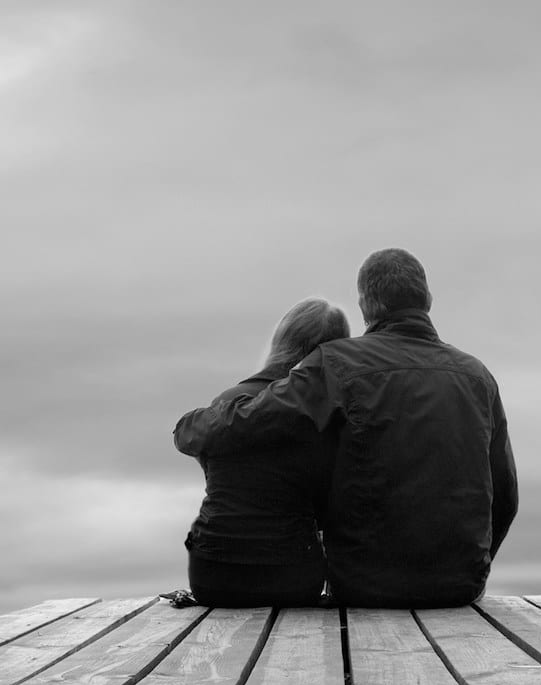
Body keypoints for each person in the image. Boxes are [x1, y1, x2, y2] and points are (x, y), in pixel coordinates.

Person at [174, 249, 516, 608]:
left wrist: (190, 426)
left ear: (366, 305)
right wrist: (472, 565)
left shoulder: (338, 364)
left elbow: (250, 420)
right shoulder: (478, 376)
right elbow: (506, 495)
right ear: (428, 299)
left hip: (365, 585)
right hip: (459, 587)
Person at [174, 297, 351, 607]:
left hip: (212, 575)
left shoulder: (228, 401)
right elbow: (328, 506)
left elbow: (212, 472)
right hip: (291, 577)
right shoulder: (324, 414)